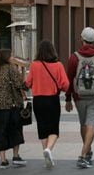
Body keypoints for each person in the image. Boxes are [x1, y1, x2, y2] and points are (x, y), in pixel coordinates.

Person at [65, 27, 94, 169]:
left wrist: (68, 98)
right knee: (92, 124)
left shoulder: (74, 57)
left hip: (79, 97)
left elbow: (69, 78)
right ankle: (84, 155)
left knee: (84, 124)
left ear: (82, 38)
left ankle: (86, 151)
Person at [25, 40, 69, 168]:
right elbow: (65, 84)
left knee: (42, 128)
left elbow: (27, 83)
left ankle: (46, 156)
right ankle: (48, 149)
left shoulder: (34, 65)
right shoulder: (58, 65)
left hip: (38, 100)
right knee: (53, 129)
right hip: (52, 100)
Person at [0, 49, 26, 169]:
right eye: (11, 55)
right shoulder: (10, 68)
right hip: (11, 105)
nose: (12, 57)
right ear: (6, 57)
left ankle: (3, 160)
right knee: (15, 130)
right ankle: (16, 156)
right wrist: (22, 72)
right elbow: (20, 84)